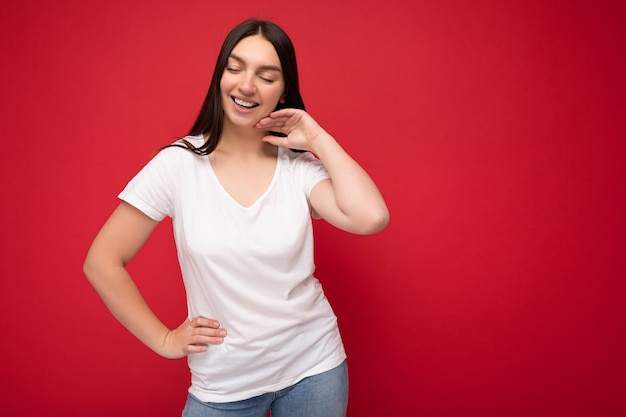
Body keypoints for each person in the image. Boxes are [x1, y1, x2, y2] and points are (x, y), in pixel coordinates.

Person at [83, 18, 389, 417]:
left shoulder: (297, 168)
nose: (247, 85)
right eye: (235, 67)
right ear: (219, 77)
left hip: (315, 369)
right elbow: (102, 261)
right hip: (224, 383)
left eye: (266, 76)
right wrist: (163, 340)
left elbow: (371, 217)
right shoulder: (178, 165)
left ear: (283, 91)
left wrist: (316, 138)